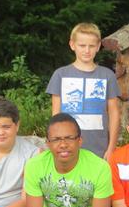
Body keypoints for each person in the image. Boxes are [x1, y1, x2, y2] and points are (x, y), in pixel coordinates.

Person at [46, 23, 121, 159]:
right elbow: (55, 116)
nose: (87, 50)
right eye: (82, 45)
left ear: (98, 46)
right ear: (72, 45)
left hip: (99, 149)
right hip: (66, 148)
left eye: (91, 46)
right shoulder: (60, 74)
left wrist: (111, 148)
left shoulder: (107, 75)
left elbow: (114, 113)